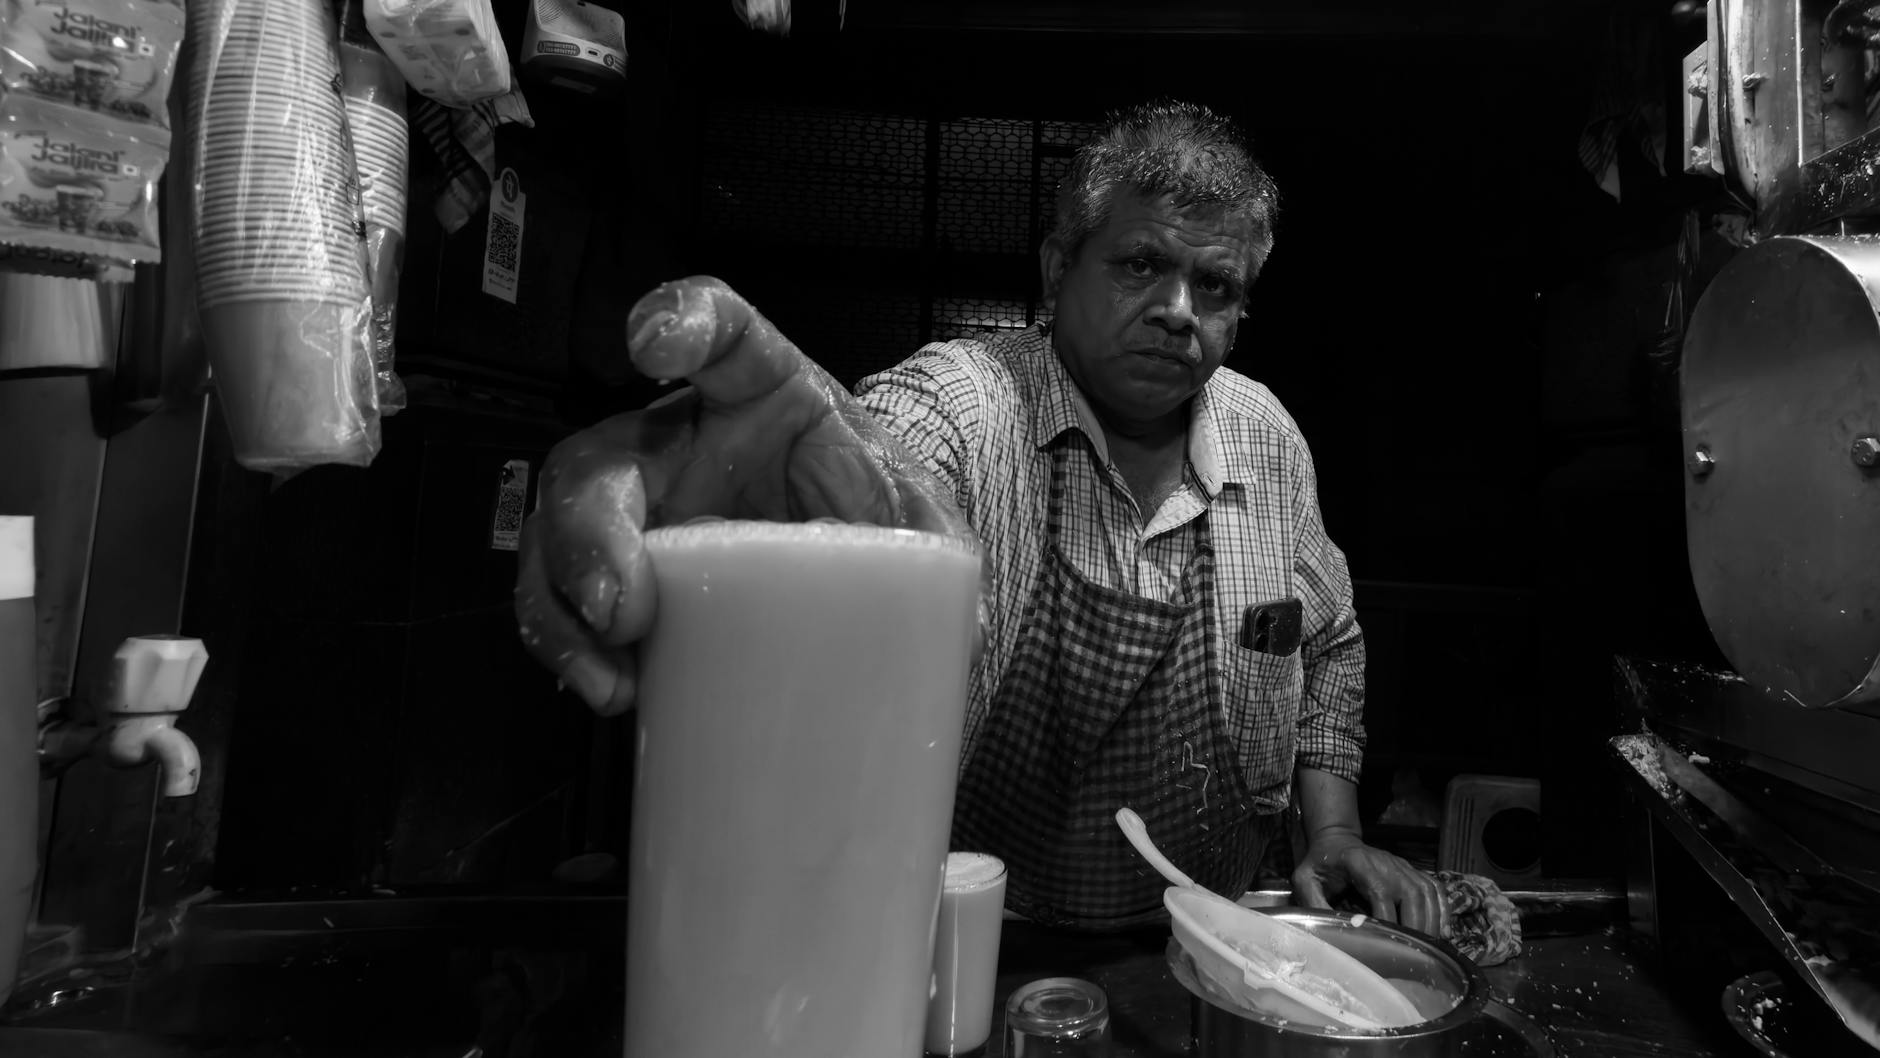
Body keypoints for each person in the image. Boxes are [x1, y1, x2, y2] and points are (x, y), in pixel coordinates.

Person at [514, 98, 1444, 935]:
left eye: (1217, 287)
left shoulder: (1267, 440)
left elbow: (1329, 644)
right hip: (961, 930)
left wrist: (1332, 830)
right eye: (1141, 264)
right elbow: (884, 463)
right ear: (1056, 269)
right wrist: (779, 522)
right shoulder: (971, 406)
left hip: (1211, 931)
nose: (1176, 311)